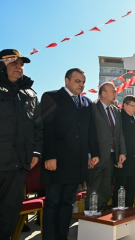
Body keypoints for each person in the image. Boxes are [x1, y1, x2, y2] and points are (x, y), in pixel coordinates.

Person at [0, 49, 42, 239]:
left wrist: (36, 152)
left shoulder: (29, 93)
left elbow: (38, 127)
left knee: (6, 223)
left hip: (16, 170)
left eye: (21, 64)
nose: (19, 67)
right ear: (1, 65)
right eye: (13, 63)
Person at [41, 68, 100, 240]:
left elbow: (90, 129)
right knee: (53, 202)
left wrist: (94, 152)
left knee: (68, 202)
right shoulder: (51, 97)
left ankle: (62, 236)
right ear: (66, 81)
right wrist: (50, 156)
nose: (81, 85)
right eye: (77, 81)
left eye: (83, 82)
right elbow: (46, 129)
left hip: (77, 162)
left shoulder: (87, 102)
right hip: (57, 161)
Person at [85, 82, 126, 211]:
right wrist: (89, 154)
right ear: (103, 93)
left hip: (111, 156)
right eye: (113, 91)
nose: (115, 93)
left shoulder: (115, 110)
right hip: (96, 156)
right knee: (94, 188)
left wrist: (122, 152)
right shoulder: (92, 108)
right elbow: (87, 133)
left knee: (106, 189)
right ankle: (90, 215)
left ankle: (101, 214)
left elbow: (119, 134)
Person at [113, 95, 135, 207]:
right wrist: (117, 158)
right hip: (122, 159)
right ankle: (117, 212)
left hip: (134, 160)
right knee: (120, 188)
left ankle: (128, 213)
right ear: (125, 105)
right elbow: (116, 138)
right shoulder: (118, 117)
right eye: (132, 106)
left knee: (131, 188)